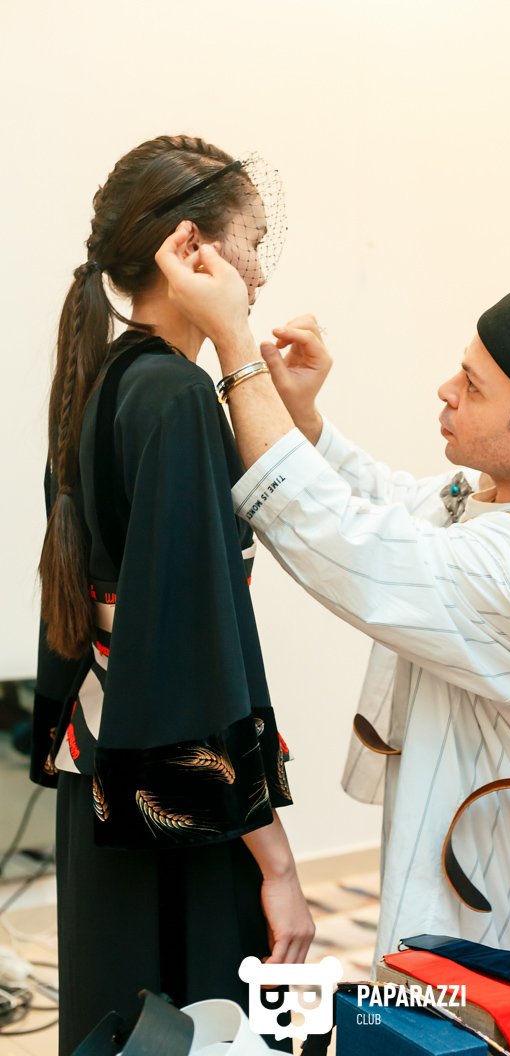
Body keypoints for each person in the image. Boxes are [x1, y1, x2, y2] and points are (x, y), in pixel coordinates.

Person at [155, 231, 510, 989]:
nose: (445, 390)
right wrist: (306, 422)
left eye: (473, 385)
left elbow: (351, 545)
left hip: (501, 917)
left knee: (455, 1032)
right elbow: (402, 508)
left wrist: (236, 345)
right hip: (475, 867)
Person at [33, 136, 313, 1056]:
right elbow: (196, 648)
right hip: (178, 810)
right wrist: (278, 864)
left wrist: (294, 414)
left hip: (104, 771)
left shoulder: (106, 377)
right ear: (191, 249)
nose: (260, 272)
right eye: (253, 243)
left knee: (119, 1029)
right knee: (204, 1028)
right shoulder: (179, 395)